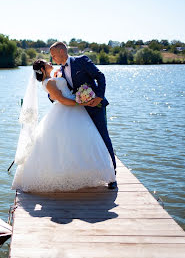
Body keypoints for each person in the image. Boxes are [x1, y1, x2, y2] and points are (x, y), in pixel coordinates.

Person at [11, 59, 116, 192]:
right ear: (42, 69)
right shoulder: (48, 83)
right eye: (47, 64)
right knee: (65, 144)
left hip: (75, 110)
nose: (50, 63)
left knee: (81, 141)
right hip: (66, 110)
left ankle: (84, 173)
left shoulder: (53, 77)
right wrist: (81, 103)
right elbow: (61, 100)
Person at [50, 42, 118, 189]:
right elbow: (62, 92)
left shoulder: (82, 60)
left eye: (54, 55)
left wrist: (99, 96)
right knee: (84, 142)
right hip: (78, 111)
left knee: (103, 137)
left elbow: (100, 76)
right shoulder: (60, 71)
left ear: (62, 51)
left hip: (95, 107)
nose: (53, 58)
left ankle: (112, 176)